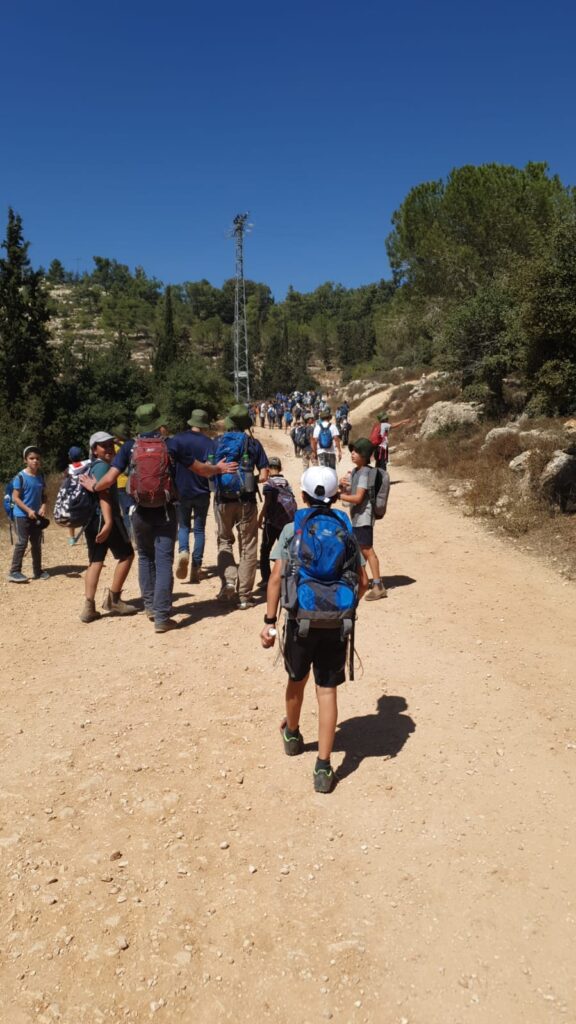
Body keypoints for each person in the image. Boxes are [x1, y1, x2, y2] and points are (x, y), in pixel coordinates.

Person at [260, 466, 368, 793]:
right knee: (327, 690)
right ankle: (323, 767)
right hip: (337, 621)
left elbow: (276, 578)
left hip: (300, 620)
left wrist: (268, 622)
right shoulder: (345, 527)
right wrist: (344, 605)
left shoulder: (294, 528)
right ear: (336, 496)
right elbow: (362, 583)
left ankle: (292, 736)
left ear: (303, 495)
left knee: (296, 680)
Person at [81, 403, 232, 633]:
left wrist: (94, 485)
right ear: (159, 423)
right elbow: (200, 469)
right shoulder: (171, 445)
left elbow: (109, 479)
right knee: (163, 562)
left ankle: (150, 607)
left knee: (144, 557)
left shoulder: (130, 447)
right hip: (165, 511)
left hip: (139, 511)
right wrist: (218, 469)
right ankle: (162, 616)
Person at [214, 404, 269, 609]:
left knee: (224, 541)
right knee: (248, 546)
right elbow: (264, 476)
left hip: (222, 500)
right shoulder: (253, 443)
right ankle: (245, 596)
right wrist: (249, 480)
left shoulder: (217, 442)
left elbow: (209, 469)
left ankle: (229, 580)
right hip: (247, 500)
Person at [80, 432, 136, 623]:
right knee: (127, 555)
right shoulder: (103, 467)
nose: (109, 449)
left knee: (95, 561)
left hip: (91, 521)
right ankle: (114, 599)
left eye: (111, 445)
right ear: (94, 449)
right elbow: (104, 495)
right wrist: (110, 522)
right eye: (103, 446)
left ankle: (89, 606)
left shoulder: (91, 467)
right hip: (107, 518)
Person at [170, 409, 215, 583]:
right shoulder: (209, 443)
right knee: (199, 529)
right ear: (204, 425)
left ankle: (183, 551)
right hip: (202, 490)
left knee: (183, 526)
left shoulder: (177, 439)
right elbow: (211, 467)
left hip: (181, 490)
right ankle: (196, 567)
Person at [340, 437, 387, 599]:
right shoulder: (356, 471)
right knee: (360, 549)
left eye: (357, 452)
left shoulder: (365, 473)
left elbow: (358, 498)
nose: (352, 454)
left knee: (367, 550)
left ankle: (378, 585)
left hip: (364, 517)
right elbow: (351, 493)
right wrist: (343, 486)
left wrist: (338, 495)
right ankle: (362, 580)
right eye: (352, 451)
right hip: (357, 517)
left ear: (365, 455)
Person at [7, 446, 49, 583]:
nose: (35, 461)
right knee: (22, 542)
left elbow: (44, 494)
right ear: (25, 460)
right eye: (31, 458)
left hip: (36, 516)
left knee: (36, 543)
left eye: (37, 458)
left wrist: (43, 506)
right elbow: (15, 498)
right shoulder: (20, 477)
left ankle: (38, 571)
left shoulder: (41, 476)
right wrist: (28, 510)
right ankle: (14, 571)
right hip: (21, 515)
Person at [257, 456, 296, 586]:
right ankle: (288, 578)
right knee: (286, 549)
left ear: (267, 469)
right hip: (285, 521)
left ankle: (266, 579)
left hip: (271, 522)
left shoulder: (268, 483)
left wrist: (261, 516)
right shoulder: (286, 482)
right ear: (280, 468)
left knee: (265, 550)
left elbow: (267, 502)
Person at [66, 445, 91, 545]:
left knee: (72, 516)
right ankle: (87, 537)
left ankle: (72, 538)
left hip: (73, 495)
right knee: (86, 515)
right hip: (85, 493)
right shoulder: (87, 464)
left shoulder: (69, 469)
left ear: (70, 457)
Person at [111, 424, 133, 539]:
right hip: (132, 482)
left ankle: (129, 536)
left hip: (119, 483)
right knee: (133, 510)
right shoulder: (131, 445)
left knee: (125, 512)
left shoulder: (112, 448)